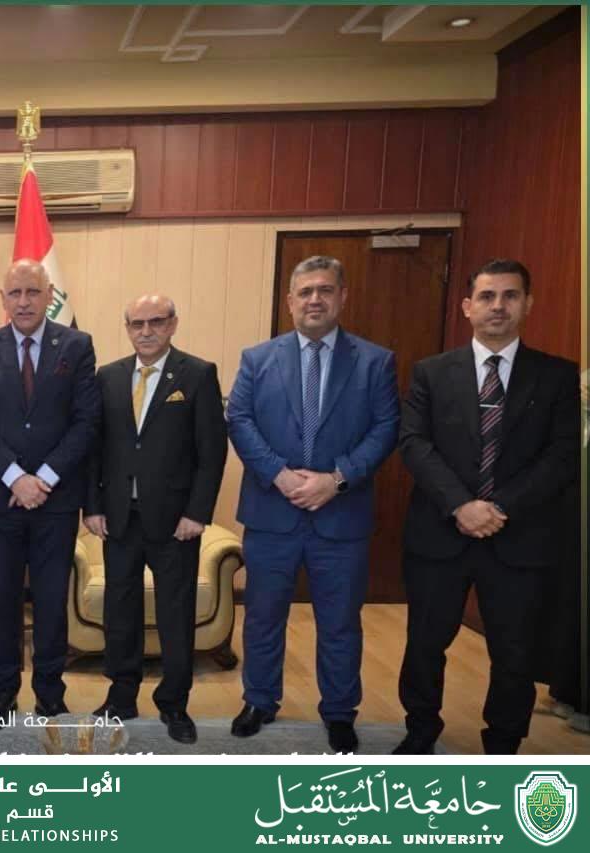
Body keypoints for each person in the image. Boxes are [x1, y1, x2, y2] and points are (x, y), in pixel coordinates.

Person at [395, 259, 579, 754]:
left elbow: (562, 457)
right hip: (440, 533)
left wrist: (495, 508)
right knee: (425, 643)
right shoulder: (432, 372)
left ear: (527, 304)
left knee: (514, 652)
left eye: (510, 296)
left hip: (519, 536)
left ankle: (503, 743)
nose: (498, 306)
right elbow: (414, 443)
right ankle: (420, 731)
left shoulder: (557, 376)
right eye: (487, 296)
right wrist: (460, 505)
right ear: (467, 306)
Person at [226, 254, 399, 753]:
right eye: (305, 292)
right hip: (272, 513)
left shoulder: (375, 361)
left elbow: (386, 427)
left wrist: (337, 479)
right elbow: (239, 420)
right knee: (263, 617)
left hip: (340, 516)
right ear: (290, 301)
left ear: (342, 296)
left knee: (340, 622)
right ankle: (260, 700)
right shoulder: (258, 358)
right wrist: (279, 475)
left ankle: (340, 711)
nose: (314, 299)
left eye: (324, 290)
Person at [83, 294, 227, 743]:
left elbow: (212, 452)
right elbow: (94, 448)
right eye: (136, 323)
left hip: (175, 522)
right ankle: (121, 696)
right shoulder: (108, 376)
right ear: (127, 328)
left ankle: (174, 703)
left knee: (175, 614)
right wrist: (93, 506)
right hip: (119, 518)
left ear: (173, 324)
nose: (146, 331)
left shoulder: (197, 374)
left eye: (156, 322)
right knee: (120, 611)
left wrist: (197, 513)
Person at [0, 259, 98, 727]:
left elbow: (86, 422)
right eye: (15, 293)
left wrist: (42, 477)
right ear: (3, 298)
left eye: (33, 292)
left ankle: (49, 695)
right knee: (0, 602)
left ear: (49, 296)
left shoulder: (77, 346)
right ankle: (3, 694)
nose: (23, 302)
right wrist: (15, 477)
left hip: (54, 501)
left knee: (50, 602)